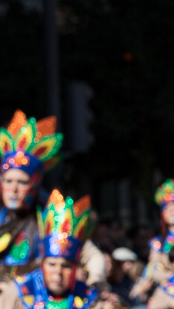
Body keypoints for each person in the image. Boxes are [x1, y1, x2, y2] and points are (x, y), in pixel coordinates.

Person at [0, 111, 106, 286]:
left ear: (35, 185)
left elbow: (91, 255)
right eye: (9, 181)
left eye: (22, 182)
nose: (14, 189)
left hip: (35, 305)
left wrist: (95, 279)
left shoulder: (51, 219)